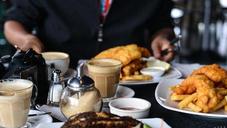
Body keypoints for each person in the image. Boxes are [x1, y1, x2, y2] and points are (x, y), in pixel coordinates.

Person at [4, 0, 175, 67]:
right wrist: (26, 39)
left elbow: (161, 23)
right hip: (59, 77)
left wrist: (160, 37)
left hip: (132, 81)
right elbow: (14, 21)